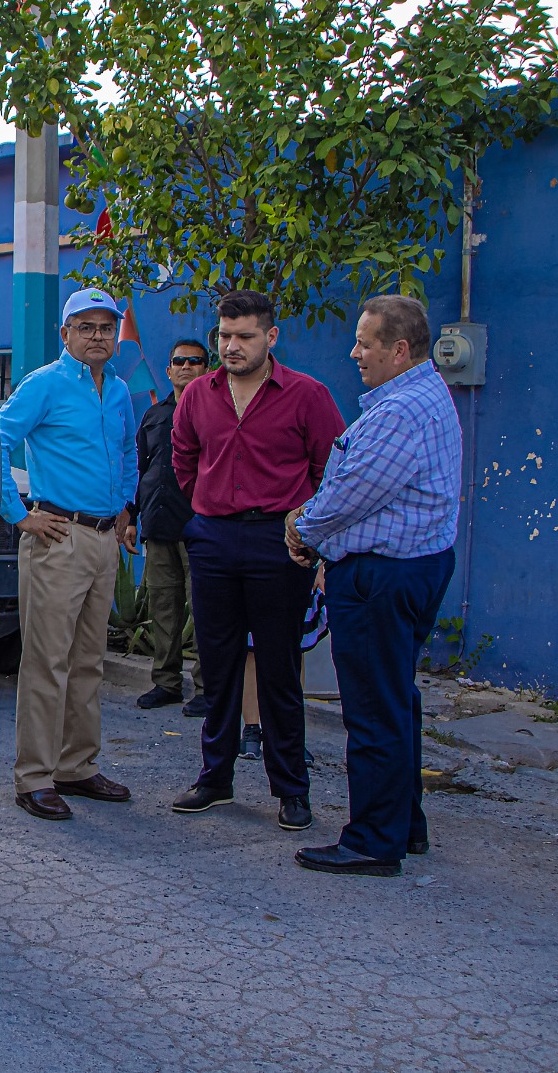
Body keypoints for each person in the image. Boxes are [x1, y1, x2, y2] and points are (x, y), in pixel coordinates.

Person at [288, 294, 461, 877]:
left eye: (366, 342)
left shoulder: (399, 413)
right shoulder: (425, 395)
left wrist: (303, 528)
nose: (355, 352)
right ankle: (403, 824)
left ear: (400, 349)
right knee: (395, 699)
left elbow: (352, 493)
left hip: (381, 577)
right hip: (413, 566)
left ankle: (372, 839)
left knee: (372, 708)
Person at [169, 289, 344, 832]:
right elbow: (184, 457)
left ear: (271, 337)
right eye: (224, 335)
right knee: (217, 668)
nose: (230, 346)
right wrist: (207, 511)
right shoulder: (199, 395)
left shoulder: (308, 395)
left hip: (279, 543)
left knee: (277, 670)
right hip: (215, 541)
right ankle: (215, 779)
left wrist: (308, 534)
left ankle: (291, 788)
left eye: (244, 336)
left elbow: (331, 469)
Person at [0, 287, 139, 821]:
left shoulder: (120, 391)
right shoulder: (46, 385)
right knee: (46, 662)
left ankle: (76, 767)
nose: (98, 336)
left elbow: (127, 450)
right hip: (59, 537)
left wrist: (126, 503)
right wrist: (18, 514)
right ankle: (33, 777)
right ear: (66, 334)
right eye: (86, 327)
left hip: (105, 540)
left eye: (106, 327)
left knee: (87, 661)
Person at [131, 338, 208, 713]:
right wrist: (131, 517)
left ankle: (209, 688)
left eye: (195, 361)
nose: (187, 366)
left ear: (206, 368)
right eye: (179, 360)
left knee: (205, 609)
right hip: (158, 525)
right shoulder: (154, 415)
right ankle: (167, 683)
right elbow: (141, 470)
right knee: (164, 609)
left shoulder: (215, 412)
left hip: (201, 527)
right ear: (168, 369)